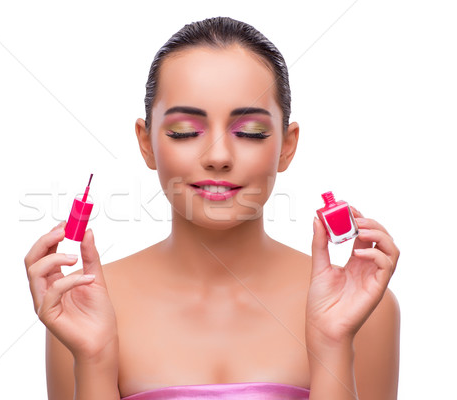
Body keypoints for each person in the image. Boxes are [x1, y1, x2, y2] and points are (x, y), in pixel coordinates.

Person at [24, 16, 400, 400]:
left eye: (250, 132)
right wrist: (94, 359)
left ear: (287, 146)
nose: (218, 156)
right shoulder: (80, 305)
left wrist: (333, 344)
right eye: (184, 132)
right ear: (147, 143)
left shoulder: (360, 307)